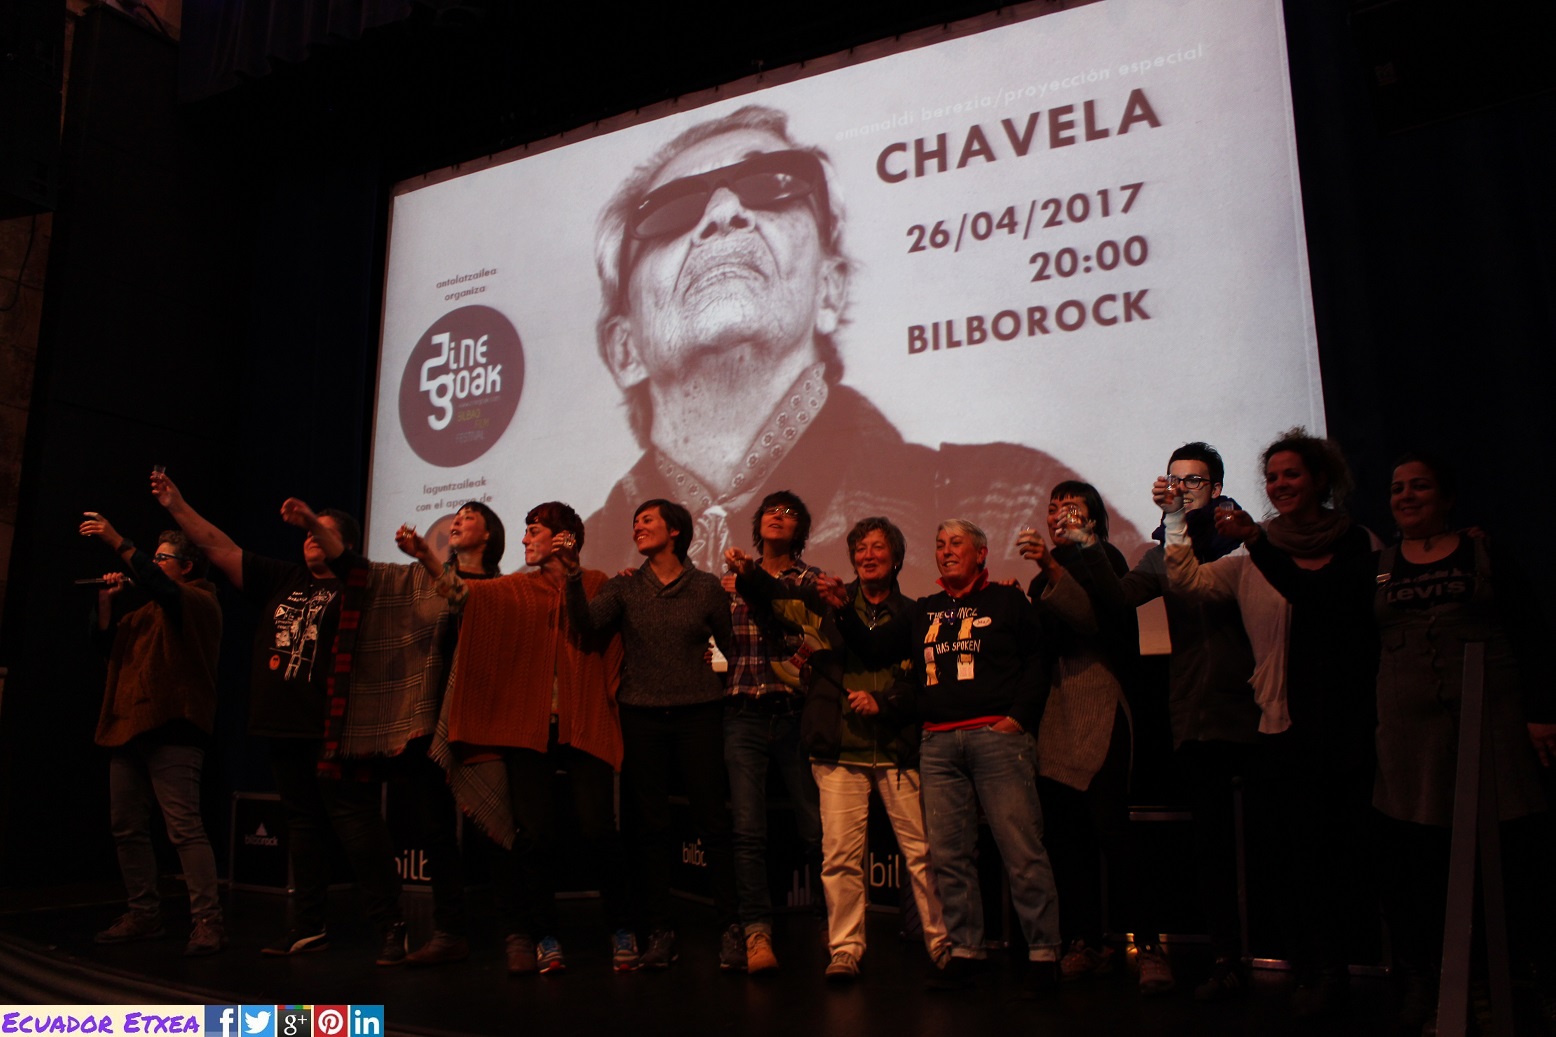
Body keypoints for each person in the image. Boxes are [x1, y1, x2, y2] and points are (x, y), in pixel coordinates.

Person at [583, 104, 1143, 589]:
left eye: (769, 185)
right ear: (624, 347)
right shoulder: (577, 566)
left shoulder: (1010, 498)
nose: (724, 212)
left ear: (830, 290)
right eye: (673, 209)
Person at [151, 472, 406, 963]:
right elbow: (219, 547)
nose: (309, 537)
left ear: (345, 546)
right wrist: (176, 505)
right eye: (306, 532)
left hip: (335, 727)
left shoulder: (359, 584)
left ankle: (392, 925)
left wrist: (310, 517)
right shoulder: (285, 578)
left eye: (320, 531)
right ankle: (309, 926)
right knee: (303, 825)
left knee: (356, 825)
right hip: (283, 724)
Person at [1197, 428, 1381, 1018]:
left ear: (1321, 479)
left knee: (1347, 853)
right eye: (1272, 477)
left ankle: (1358, 971)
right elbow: (1186, 581)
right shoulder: (1258, 550)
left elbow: (1318, 596)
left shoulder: (1358, 542)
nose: (1279, 485)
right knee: (1297, 857)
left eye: (1291, 474)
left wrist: (1256, 540)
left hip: (1345, 721)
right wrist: (1181, 522)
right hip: (1282, 723)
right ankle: (1315, 968)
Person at [402, 501, 631, 975]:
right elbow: (462, 595)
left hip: (584, 723)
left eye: (533, 531)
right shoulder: (515, 588)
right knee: (535, 836)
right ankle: (544, 934)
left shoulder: (596, 583)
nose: (524, 540)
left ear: (563, 538)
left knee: (598, 830)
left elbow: (590, 626)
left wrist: (573, 575)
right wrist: (426, 556)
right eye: (524, 532)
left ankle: (622, 927)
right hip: (529, 730)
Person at [730, 516, 950, 982]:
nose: (868, 556)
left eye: (877, 547)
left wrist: (886, 703)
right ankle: (845, 949)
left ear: (896, 558)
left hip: (896, 751)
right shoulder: (825, 605)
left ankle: (942, 945)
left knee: (921, 855)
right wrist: (749, 574)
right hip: (838, 751)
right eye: (860, 549)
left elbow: (921, 682)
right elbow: (776, 600)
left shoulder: (915, 614)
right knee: (840, 859)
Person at [1104, 442, 1259, 999]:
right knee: (1212, 846)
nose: (1183, 488)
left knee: (1271, 840)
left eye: (1194, 480)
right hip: (1195, 711)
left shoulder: (1247, 542)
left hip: (1258, 710)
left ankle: (1301, 960)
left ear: (1216, 488)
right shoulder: (1160, 555)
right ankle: (1225, 958)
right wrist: (1085, 552)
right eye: (1175, 479)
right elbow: (1116, 601)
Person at [561, 499, 742, 970]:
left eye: (647, 520)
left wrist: (718, 679)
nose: (637, 527)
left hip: (699, 713)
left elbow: (732, 649)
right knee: (652, 827)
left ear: (674, 530)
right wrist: (573, 575)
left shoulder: (706, 587)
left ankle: (731, 928)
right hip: (641, 715)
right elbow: (585, 625)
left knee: (712, 822)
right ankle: (660, 931)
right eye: (634, 522)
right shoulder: (625, 586)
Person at [902, 518, 1059, 993]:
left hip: (997, 739)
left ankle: (1044, 953)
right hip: (938, 744)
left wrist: (1018, 718)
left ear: (981, 554)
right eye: (939, 544)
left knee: (1021, 850)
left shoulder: (1007, 600)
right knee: (950, 855)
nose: (946, 551)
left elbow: (1038, 660)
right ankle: (966, 950)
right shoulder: (925, 609)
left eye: (956, 543)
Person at [1019, 482, 1163, 991]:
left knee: (1111, 830)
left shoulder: (1106, 558)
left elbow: (1094, 619)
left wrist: (1052, 566)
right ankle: (1086, 941)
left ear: (1094, 519)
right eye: (1053, 507)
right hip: (1057, 705)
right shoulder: (1041, 577)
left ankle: (1150, 946)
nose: (1058, 514)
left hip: (1100, 697)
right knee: (1067, 835)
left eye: (1071, 506)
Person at [78, 512, 224, 956]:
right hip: (129, 728)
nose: (153, 564)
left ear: (187, 567)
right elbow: (107, 648)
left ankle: (208, 921)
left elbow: (161, 587)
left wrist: (117, 540)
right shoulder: (145, 613)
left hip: (174, 727)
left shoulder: (198, 601)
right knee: (126, 827)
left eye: (162, 558)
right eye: (154, 557)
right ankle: (144, 914)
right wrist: (106, 603)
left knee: (184, 828)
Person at [718, 490, 824, 974]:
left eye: (789, 514)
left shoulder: (811, 581)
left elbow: (790, 619)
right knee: (747, 830)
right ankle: (757, 931)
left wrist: (749, 578)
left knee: (815, 827)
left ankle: (831, 922)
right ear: (758, 523)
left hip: (794, 712)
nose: (777, 518)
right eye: (770, 512)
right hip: (743, 710)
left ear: (800, 530)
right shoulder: (727, 583)